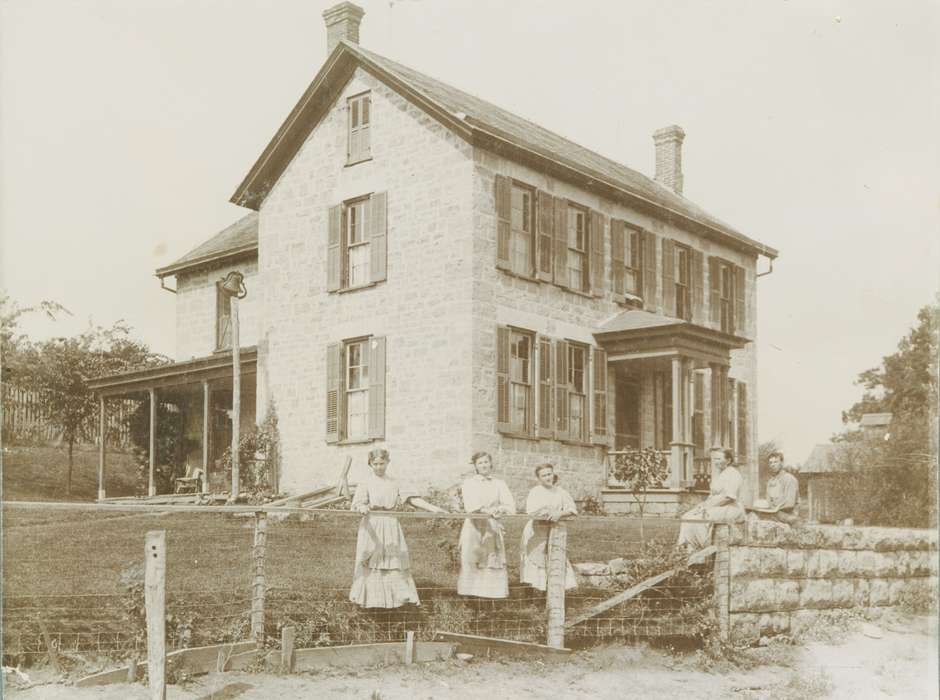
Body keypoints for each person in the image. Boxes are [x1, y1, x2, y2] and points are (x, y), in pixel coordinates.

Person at [349, 448, 444, 608]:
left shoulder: (394, 482)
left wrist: (434, 509)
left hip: (391, 524)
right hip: (372, 524)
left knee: (393, 560)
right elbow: (357, 503)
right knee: (372, 559)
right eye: (375, 464)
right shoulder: (366, 482)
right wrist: (362, 507)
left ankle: (395, 599)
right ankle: (372, 600)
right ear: (370, 464)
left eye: (382, 463)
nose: (379, 467)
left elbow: (412, 499)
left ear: (388, 462)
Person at [457, 451, 516, 598]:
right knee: (473, 557)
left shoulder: (499, 484)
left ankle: (491, 595)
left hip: (492, 526)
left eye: (486, 462)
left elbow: (510, 506)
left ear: (491, 463)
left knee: (491, 558)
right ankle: (470, 595)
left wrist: (499, 509)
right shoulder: (469, 483)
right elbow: (472, 505)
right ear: (476, 466)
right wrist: (488, 512)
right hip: (474, 525)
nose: (484, 465)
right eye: (480, 463)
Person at [520, 463, 578, 591]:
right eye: (544, 475)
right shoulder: (535, 492)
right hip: (537, 530)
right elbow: (531, 511)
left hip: (555, 530)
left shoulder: (561, 492)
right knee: (536, 558)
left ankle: (553, 590)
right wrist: (546, 511)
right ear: (539, 478)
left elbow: (572, 509)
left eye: (549, 474)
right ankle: (534, 591)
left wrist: (560, 513)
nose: (547, 477)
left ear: (553, 474)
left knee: (555, 556)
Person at [677, 448, 745, 550]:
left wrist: (708, 507)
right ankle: (688, 548)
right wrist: (702, 505)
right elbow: (712, 496)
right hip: (717, 506)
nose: (715, 462)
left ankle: (704, 549)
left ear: (728, 460)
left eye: (718, 459)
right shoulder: (720, 474)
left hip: (730, 508)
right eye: (714, 459)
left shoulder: (733, 474)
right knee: (687, 516)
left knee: (698, 519)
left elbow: (729, 498)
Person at [759, 450, 800, 524]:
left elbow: (789, 504)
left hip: (788, 516)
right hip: (774, 513)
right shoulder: (770, 481)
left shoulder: (789, 479)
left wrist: (773, 508)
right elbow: (768, 501)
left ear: (781, 463)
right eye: (770, 463)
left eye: (775, 462)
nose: (773, 465)